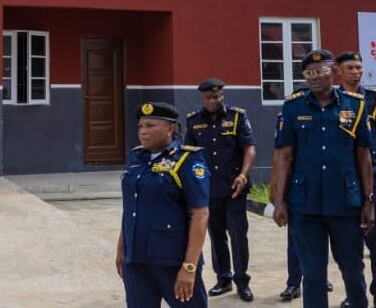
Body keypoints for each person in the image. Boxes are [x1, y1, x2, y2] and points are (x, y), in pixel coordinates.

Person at [272, 49, 374, 308]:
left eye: (321, 71)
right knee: (313, 275)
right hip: (305, 205)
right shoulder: (292, 107)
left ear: (334, 71)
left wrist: (369, 200)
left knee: (353, 270)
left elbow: (364, 156)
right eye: (309, 73)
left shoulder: (355, 105)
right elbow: (284, 156)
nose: (315, 77)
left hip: (345, 202)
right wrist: (280, 201)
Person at [117, 102, 211, 307]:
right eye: (141, 126)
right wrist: (122, 250)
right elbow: (131, 208)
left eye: (150, 126)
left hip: (172, 259)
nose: (143, 132)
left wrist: (189, 267)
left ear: (170, 129)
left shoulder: (187, 160)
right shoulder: (137, 158)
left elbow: (200, 214)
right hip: (137, 259)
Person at [184, 78, 256, 301]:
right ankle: (223, 279)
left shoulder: (237, 117)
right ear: (202, 98)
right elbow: (189, 153)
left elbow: (249, 148)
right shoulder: (193, 121)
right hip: (209, 189)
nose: (212, 100)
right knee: (216, 236)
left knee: (237, 235)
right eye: (208, 97)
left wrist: (243, 175)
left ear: (222, 96)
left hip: (235, 187)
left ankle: (242, 280)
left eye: (216, 96)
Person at [335, 52, 376, 308]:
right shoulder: (333, 99)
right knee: (349, 243)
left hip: (373, 177)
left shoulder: (375, 98)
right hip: (346, 179)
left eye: (359, 67)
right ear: (339, 71)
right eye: (350, 68)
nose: (356, 72)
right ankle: (353, 292)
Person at [272, 82, 334, 302]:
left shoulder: (324, 116)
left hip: (319, 184)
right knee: (295, 240)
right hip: (295, 187)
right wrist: (276, 190)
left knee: (320, 239)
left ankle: (318, 277)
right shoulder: (285, 119)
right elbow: (279, 155)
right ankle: (293, 282)